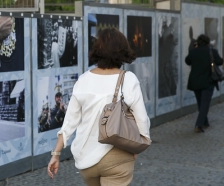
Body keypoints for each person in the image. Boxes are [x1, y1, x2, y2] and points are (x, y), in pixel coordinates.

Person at [47, 28, 151, 186]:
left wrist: (56, 154)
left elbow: (69, 122)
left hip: (86, 160)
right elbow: (142, 119)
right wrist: (137, 147)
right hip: (118, 155)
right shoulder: (129, 79)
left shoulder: (83, 80)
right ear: (123, 51)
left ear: (97, 50)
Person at [185, 34, 223, 133]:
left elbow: (187, 61)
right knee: (205, 104)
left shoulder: (193, 51)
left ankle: (205, 122)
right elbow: (220, 61)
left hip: (195, 82)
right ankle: (199, 124)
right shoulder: (212, 51)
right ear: (208, 42)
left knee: (200, 103)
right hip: (208, 81)